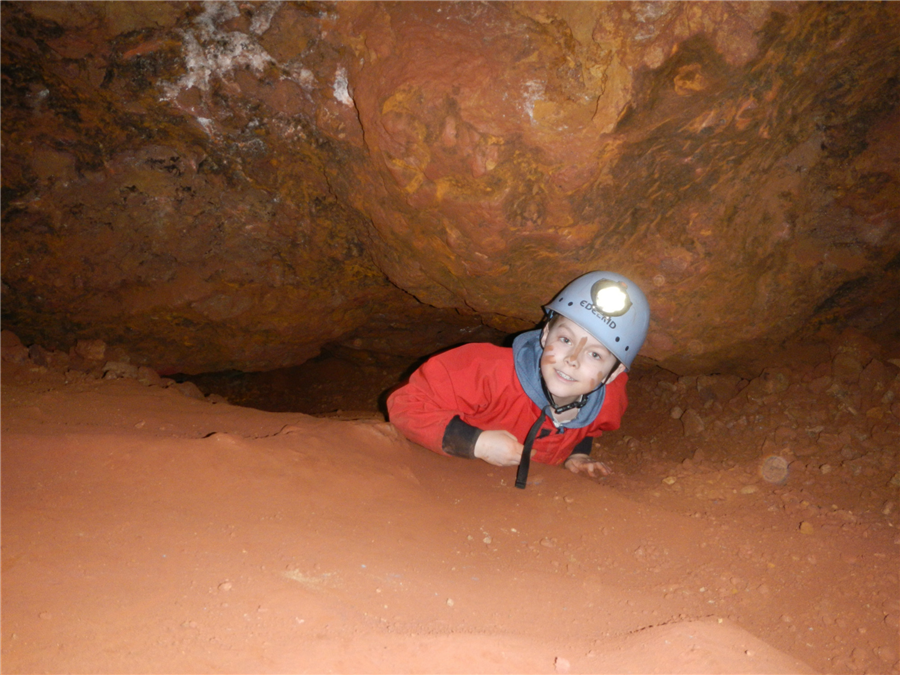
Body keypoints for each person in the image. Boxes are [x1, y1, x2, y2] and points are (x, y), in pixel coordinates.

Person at [386, 271, 650, 488]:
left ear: (614, 373)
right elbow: (406, 404)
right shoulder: (486, 371)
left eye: (595, 354)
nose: (573, 359)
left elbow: (589, 427)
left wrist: (578, 454)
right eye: (565, 339)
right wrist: (477, 443)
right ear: (545, 334)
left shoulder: (608, 401)